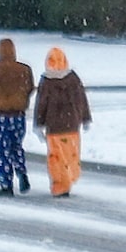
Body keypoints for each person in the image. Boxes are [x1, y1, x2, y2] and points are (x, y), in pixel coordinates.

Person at [33, 46, 92, 198]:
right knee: (70, 155)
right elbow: (81, 99)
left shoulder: (46, 81)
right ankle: (70, 177)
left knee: (56, 157)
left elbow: (41, 104)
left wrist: (39, 124)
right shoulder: (73, 78)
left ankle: (60, 183)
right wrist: (85, 118)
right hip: (72, 125)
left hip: (54, 127)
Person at [0, 37, 33, 196]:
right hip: (18, 116)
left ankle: (6, 185)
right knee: (16, 146)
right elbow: (30, 88)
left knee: (1, 150)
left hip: (1, 115)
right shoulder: (25, 70)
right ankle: (21, 172)